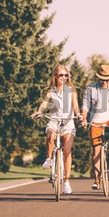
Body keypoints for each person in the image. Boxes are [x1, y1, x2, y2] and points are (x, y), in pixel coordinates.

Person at [31, 64, 81, 195]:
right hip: (54, 121)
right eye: (61, 75)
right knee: (50, 136)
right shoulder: (51, 91)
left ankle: (67, 182)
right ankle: (49, 159)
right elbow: (44, 104)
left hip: (68, 123)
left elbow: (75, 107)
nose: (63, 78)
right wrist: (39, 112)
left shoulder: (71, 90)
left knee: (67, 151)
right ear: (55, 76)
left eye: (66, 75)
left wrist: (79, 114)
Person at [81, 65, 109, 190]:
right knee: (96, 151)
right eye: (102, 79)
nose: (104, 82)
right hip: (95, 121)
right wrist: (84, 118)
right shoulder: (90, 89)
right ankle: (97, 180)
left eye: (106, 79)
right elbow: (85, 107)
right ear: (98, 78)